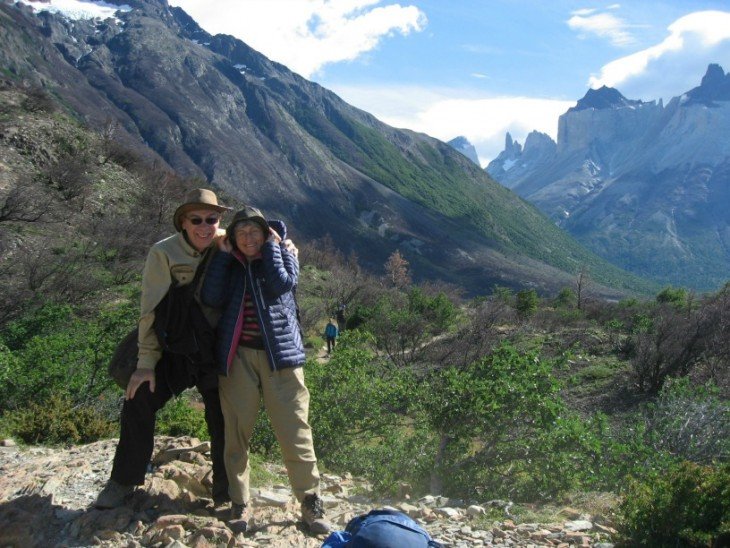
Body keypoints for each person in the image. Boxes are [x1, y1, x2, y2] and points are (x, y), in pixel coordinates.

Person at [95, 188, 231, 509]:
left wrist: (283, 244)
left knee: (225, 416)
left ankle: (226, 493)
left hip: (212, 350)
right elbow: (150, 309)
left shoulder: (224, 242)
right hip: (176, 349)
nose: (204, 226)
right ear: (183, 222)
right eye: (196, 219)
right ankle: (123, 481)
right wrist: (145, 364)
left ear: (219, 221)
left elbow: (258, 234)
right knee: (139, 396)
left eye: (211, 219)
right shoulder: (163, 253)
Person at [201, 205, 332, 535]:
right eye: (241, 233)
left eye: (254, 232)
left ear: (266, 233)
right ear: (232, 237)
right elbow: (211, 296)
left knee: (295, 431)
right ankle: (239, 502)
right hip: (238, 358)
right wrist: (221, 256)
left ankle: (310, 501)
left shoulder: (284, 254)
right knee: (236, 432)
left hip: (282, 359)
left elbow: (282, 284)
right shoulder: (229, 263)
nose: (248, 239)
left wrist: (274, 247)